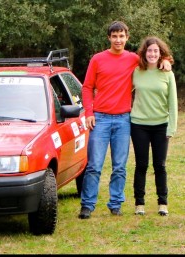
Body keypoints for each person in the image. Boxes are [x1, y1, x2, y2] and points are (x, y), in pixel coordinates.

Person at [78, 21, 172, 219]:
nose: (118, 40)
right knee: (94, 165)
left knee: (119, 166)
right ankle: (87, 205)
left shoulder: (133, 59)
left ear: (127, 38)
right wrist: (89, 112)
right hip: (100, 118)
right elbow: (87, 88)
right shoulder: (97, 59)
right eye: (114, 36)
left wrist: (166, 60)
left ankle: (115, 204)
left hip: (123, 119)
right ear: (109, 38)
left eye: (121, 36)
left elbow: (153, 58)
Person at [131, 36, 178, 216]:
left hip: (161, 126)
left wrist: (171, 128)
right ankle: (139, 203)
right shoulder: (136, 71)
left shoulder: (168, 74)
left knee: (160, 165)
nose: (152, 54)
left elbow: (173, 104)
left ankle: (162, 203)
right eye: (149, 50)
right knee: (141, 165)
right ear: (144, 53)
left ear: (161, 54)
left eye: (156, 51)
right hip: (139, 125)